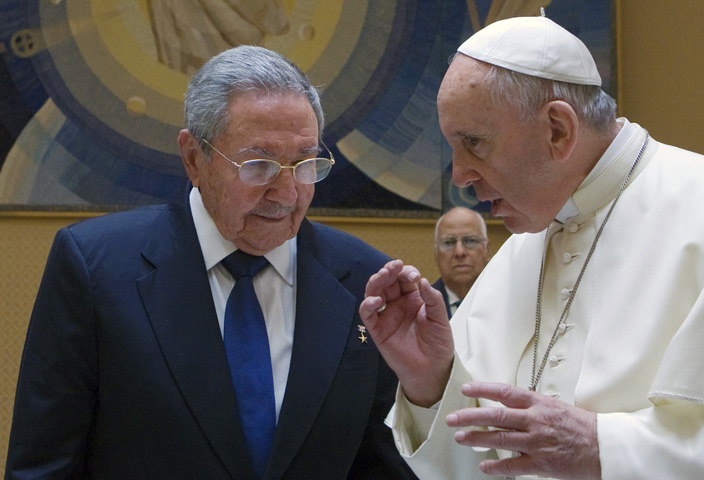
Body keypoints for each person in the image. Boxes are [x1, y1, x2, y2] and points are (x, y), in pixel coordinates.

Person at [359, 15, 704, 480]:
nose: (459, 175)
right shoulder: (521, 245)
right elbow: (483, 463)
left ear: (558, 129)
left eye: (474, 142)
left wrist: (604, 449)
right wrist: (433, 382)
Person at [5, 45, 416, 480]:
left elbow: (384, 465)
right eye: (259, 165)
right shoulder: (96, 268)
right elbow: (43, 467)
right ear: (193, 158)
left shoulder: (364, 280)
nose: (288, 193)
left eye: (304, 164)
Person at [431, 207, 490, 317]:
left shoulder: (509, 302)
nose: (459, 252)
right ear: (436, 254)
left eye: (471, 241)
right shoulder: (420, 308)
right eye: (448, 243)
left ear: (487, 250)